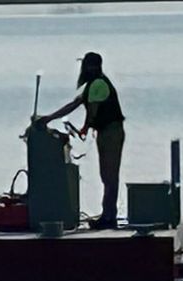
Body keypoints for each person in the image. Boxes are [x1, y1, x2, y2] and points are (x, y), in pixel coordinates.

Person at [35, 51, 125, 227]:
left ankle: (109, 217)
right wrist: (49, 118)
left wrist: (84, 127)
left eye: (90, 65)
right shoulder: (93, 84)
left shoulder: (98, 83)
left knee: (109, 176)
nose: (87, 69)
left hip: (111, 132)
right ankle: (107, 214)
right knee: (106, 175)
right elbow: (74, 105)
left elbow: (93, 111)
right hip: (105, 132)